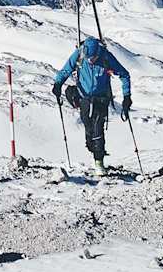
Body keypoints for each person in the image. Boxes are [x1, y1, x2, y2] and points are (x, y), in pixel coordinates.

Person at [51, 37, 132, 174]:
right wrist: (58, 84)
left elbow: (124, 74)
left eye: (93, 58)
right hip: (84, 98)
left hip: (101, 98)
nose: (90, 60)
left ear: (98, 54)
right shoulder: (79, 54)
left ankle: (99, 161)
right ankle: (92, 148)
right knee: (88, 125)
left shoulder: (106, 57)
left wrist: (127, 96)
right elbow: (66, 70)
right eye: (88, 58)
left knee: (97, 127)